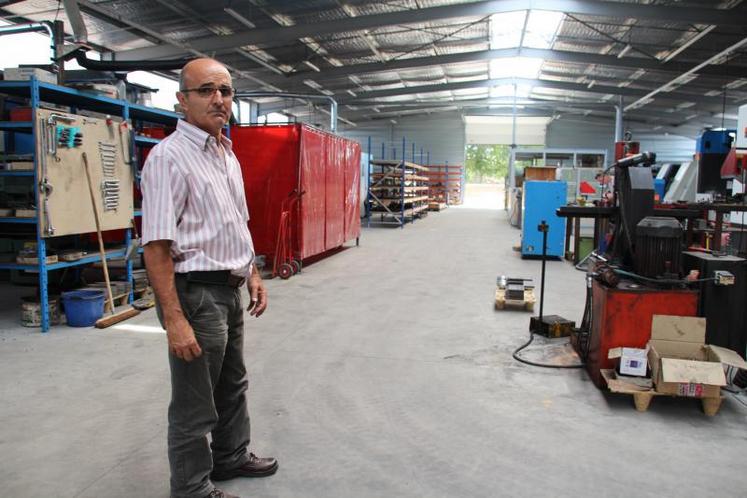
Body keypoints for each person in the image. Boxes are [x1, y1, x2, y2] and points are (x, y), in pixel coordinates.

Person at [141, 57, 278, 498]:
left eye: (226, 91)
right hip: (195, 293)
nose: (218, 99)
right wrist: (174, 319)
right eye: (206, 90)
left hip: (229, 288)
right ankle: (191, 488)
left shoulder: (226, 153)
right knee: (195, 399)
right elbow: (157, 247)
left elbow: (236, 220)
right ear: (182, 100)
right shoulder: (169, 159)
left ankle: (230, 455)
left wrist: (252, 271)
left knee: (231, 383)